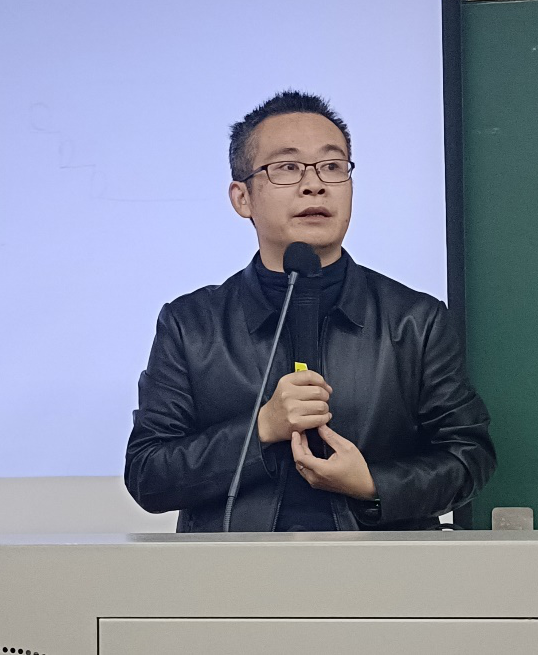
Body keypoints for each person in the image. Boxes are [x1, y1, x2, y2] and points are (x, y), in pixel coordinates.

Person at [124, 90, 495, 531]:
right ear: (242, 198)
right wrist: (262, 428)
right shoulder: (191, 324)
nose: (315, 184)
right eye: (287, 167)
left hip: (380, 568)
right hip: (237, 571)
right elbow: (148, 475)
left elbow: (469, 455)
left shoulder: (415, 321)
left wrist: (372, 485)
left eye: (332, 166)